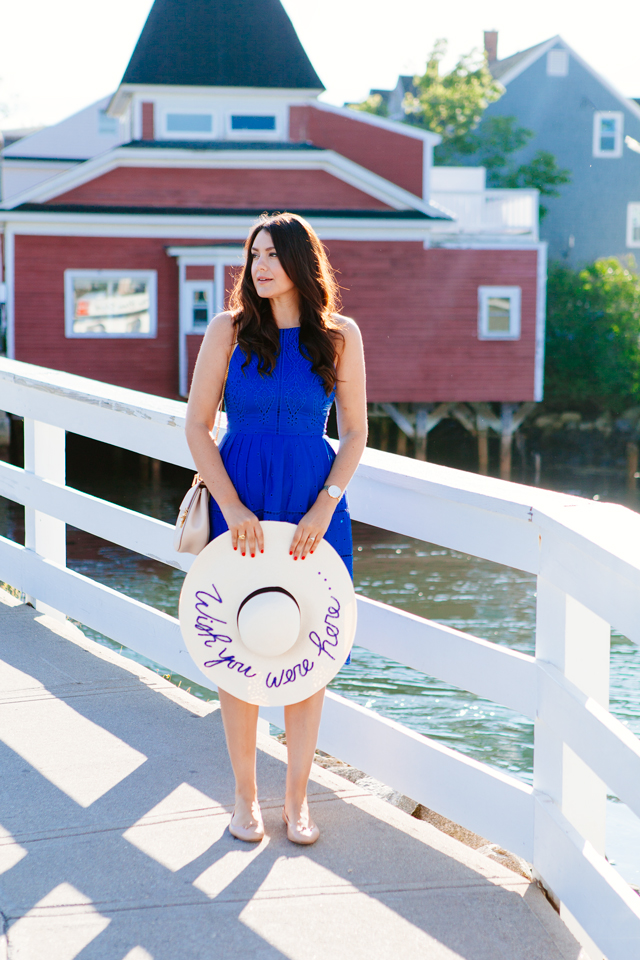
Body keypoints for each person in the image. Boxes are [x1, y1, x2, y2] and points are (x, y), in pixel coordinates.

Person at [185, 212, 367, 845]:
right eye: (252, 254)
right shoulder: (229, 331)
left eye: (271, 254)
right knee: (237, 647)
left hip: (313, 505)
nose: (258, 266)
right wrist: (230, 506)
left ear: (300, 262)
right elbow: (196, 426)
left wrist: (325, 505)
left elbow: (355, 433)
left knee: (308, 649)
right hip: (242, 499)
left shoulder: (339, 336)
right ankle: (244, 799)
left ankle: (298, 802)